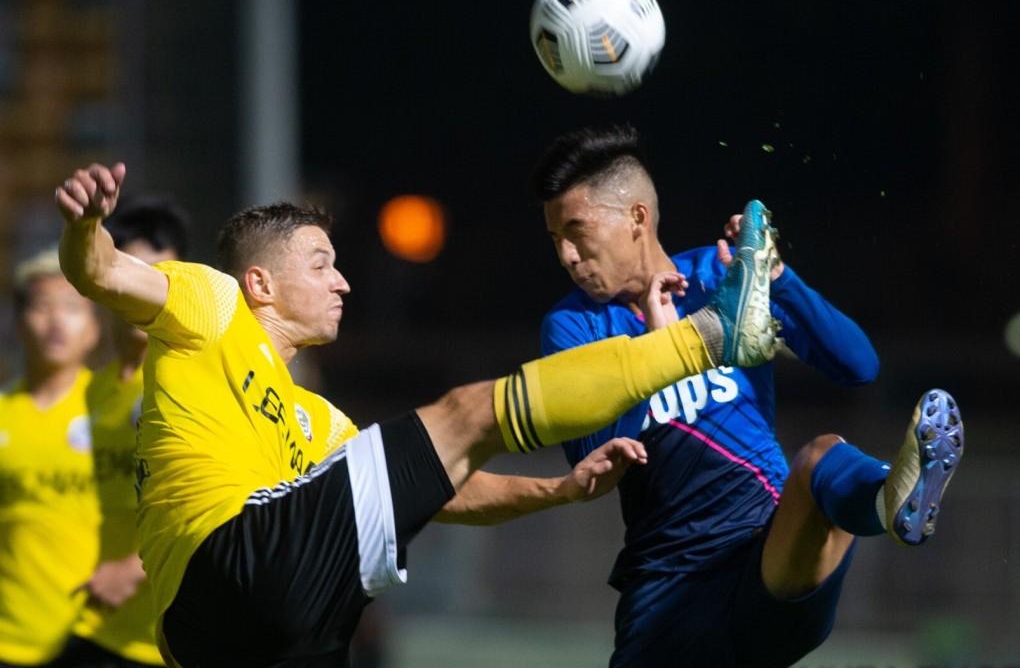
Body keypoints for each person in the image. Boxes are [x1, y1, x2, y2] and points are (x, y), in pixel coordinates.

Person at [53, 160, 780, 667]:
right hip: (228, 564)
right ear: (260, 282)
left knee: (433, 459)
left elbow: (447, 488)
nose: (341, 281)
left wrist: (557, 492)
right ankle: (711, 336)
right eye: (320, 263)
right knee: (466, 412)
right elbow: (104, 271)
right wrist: (87, 225)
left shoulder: (321, 423)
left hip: (230, 640)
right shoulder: (213, 306)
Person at [524, 124, 964, 667]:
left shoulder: (721, 275)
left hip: (768, 551)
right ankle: (880, 498)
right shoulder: (571, 325)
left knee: (821, 456)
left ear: (637, 217)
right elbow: (589, 458)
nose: (567, 255)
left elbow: (858, 366)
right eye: (554, 240)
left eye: (577, 229)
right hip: (671, 588)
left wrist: (777, 277)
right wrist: (664, 355)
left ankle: (890, 500)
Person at [58, 196, 191, 668]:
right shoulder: (90, 393)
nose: (144, 289)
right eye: (135, 272)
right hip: (93, 627)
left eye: (159, 276)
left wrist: (129, 571)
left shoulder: (185, 387)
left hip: (163, 641)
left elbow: (205, 511)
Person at [0, 248, 102, 666]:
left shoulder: (113, 412)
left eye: (73, 308)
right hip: (9, 641)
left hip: (95, 637)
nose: (57, 321)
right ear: (20, 325)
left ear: (95, 329)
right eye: (43, 307)